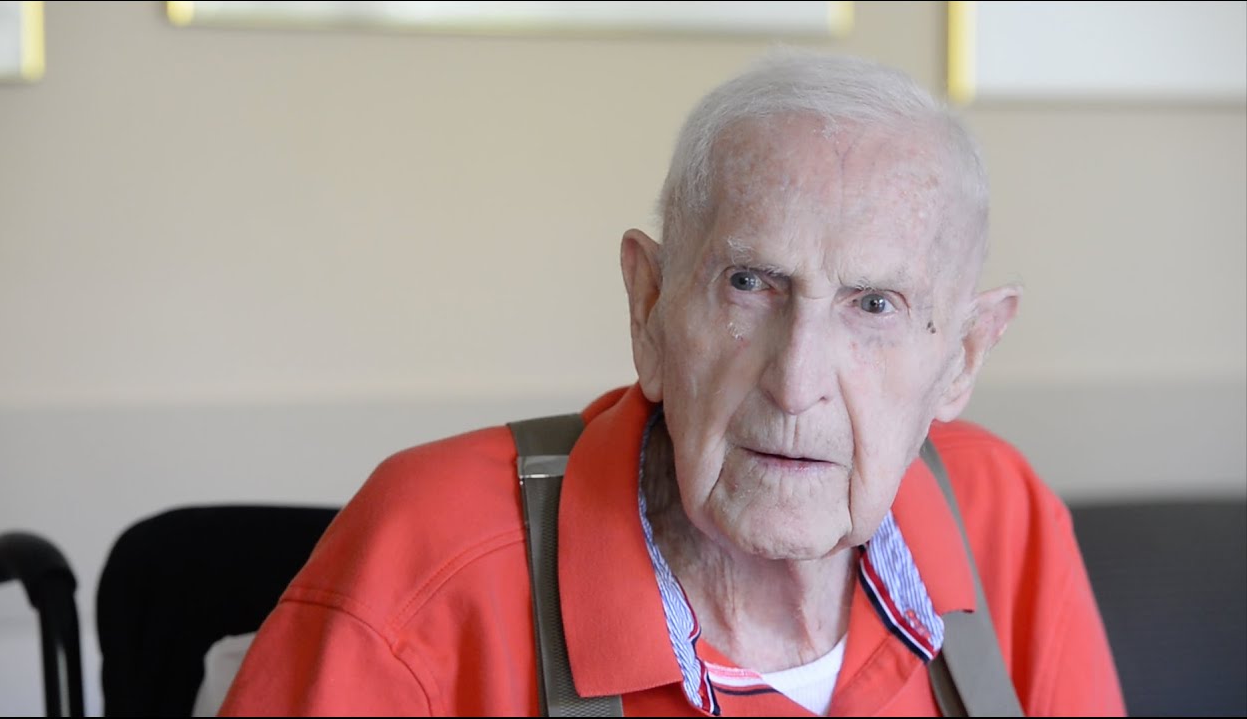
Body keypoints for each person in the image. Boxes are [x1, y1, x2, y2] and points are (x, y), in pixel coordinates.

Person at [220, 48, 1125, 717]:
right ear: (648, 305)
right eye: (749, 283)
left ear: (963, 357)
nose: (796, 383)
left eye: (874, 305)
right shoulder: (426, 555)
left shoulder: (1001, 521)